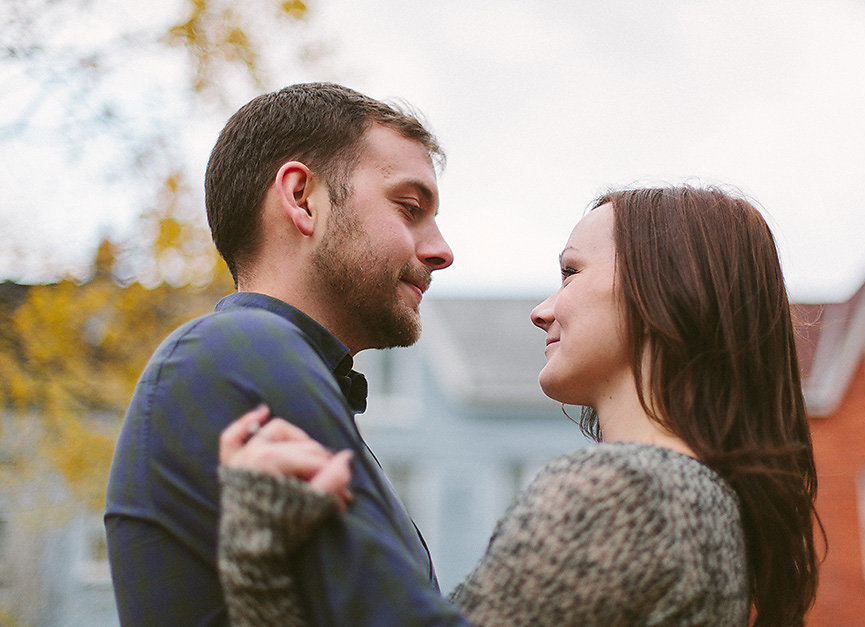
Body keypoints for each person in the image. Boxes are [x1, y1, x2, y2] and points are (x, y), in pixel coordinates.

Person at [215, 185, 823, 626]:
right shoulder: (711, 501)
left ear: (666, 287)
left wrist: (257, 549)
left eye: (570, 273)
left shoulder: (627, 493)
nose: (543, 310)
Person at [104, 82, 468, 625]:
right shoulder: (242, 348)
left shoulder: (253, 362)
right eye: (409, 207)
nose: (442, 251)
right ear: (302, 199)